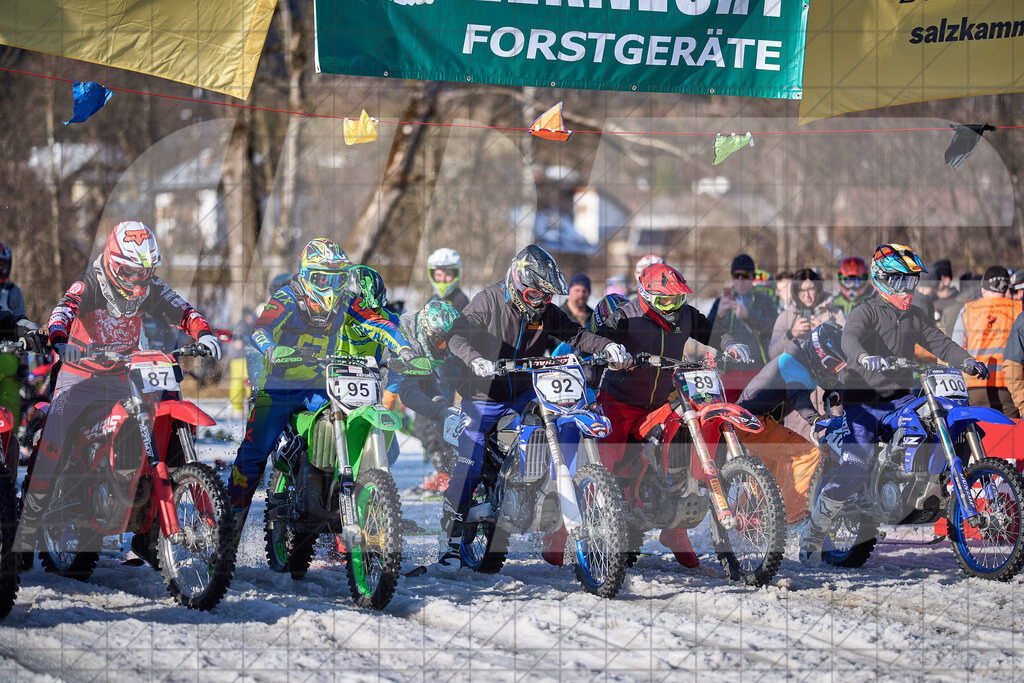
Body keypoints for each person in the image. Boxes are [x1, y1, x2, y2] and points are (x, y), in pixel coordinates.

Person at [16, 221, 224, 557]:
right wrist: (58, 340)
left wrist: (203, 333)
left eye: (146, 272)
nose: (139, 280)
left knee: (166, 421)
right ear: (113, 263)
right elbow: (63, 310)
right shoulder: (90, 285)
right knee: (55, 437)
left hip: (127, 370)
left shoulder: (148, 286)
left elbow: (182, 309)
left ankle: (152, 530)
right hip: (82, 373)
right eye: (131, 271)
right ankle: (26, 530)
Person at [439, 244, 631, 571]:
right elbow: (456, 335)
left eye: (547, 297)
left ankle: (548, 495)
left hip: (528, 391)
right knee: (472, 455)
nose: (542, 303)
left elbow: (578, 335)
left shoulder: (545, 312)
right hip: (484, 394)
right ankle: (453, 541)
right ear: (517, 282)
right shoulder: (488, 301)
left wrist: (609, 346)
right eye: (535, 296)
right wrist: (477, 360)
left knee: (563, 423)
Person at [800, 244, 988, 566]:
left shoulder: (915, 315)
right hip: (865, 403)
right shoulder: (865, 311)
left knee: (945, 425)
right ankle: (814, 533)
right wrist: (862, 357)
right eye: (900, 281)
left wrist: (967, 360)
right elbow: (850, 338)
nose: (907, 289)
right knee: (856, 464)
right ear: (882, 280)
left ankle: (935, 492)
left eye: (911, 281)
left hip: (903, 398)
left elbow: (939, 341)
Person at [226, 241, 416, 545]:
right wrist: (271, 348)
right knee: (253, 454)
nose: (331, 287)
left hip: (323, 384)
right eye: (322, 279)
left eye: (338, 278)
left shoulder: (346, 302)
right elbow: (261, 327)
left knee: (346, 422)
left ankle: (340, 506)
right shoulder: (287, 297)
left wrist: (403, 348)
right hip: (279, 387)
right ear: (306, 276)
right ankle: (228, 530)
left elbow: (378, 323)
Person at [596, 263, 751, 568]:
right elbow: (602, 337)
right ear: (647, 295)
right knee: (608, 462)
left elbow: (713, 330)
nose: (673, 306)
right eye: (666, 300)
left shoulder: (686, 315)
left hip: (662, 400)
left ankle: (674, 529)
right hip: (620, 401)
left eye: (677, 299)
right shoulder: (627, 316)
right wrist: (610, 351)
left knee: (676, 453)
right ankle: (595, 530)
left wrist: (731, 344)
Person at [737, 322, 846, 525]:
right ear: (819, 355)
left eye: (838, 367)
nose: (834, 370)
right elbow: (799, 397)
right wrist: (815, 420)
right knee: (808, 453)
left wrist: (845, 397)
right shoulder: (792, 364)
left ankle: (747, 519)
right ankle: (794, 520)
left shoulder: (803, 359)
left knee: (768, 477)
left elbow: (834, 385)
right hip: (753, 422)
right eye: (833, 365)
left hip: (755, 422)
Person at [395, 299, 467, 496]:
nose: (444, 350)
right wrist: (440, 411)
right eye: (440, 342)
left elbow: (427, 379)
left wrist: (442, 406)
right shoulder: (406, 341)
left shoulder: (422, 338)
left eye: (448, 344)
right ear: (426, 331)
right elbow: (409, 393)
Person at [951, 266, 1020, 417]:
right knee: (1010, 437)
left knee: (979, 437)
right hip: (1010, 386)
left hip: (975, 385)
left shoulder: (968, 310)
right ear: (1007, 288)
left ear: (983, 288)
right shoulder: (1019, 310)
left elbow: (955, 350)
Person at [707, 254, 777, 371]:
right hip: (727, 368)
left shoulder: (765, 300)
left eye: (744, 275)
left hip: (758, 367)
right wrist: (719, 314)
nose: (740, 280)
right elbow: (706, 333)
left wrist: (748, 315)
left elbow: (774, 330)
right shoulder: (721, 301)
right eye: (736, 275)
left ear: (752, 277)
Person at [768, 268, 845, 359]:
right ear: (795, 292)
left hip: (829, 369)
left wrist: (825, 334)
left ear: (818, 288)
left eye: (811, 289)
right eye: (802, 290)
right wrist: (791, 334)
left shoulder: (835, 314)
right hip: (795, 369)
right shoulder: (786, 316)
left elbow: (847, 349)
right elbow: (771, 354)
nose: (807, 295)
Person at [0, 244, 28, 429]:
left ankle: (11, 448)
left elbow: (22, 325)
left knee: (9, 409)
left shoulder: (12, 291)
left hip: (9, 354)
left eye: (2, 264)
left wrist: (24, 360)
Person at [426, 248, 469, 312]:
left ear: (455, 275)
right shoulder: (432, 300)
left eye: (448, 274)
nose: (443, 279)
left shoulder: (461, 301)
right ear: (432, 275)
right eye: (439, 275)